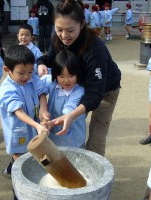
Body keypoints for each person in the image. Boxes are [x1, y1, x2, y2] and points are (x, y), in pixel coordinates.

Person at [37, 0, 121, 157]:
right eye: (59, 29)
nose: (64, 36)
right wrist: (41, 63)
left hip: (104, 91)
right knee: (72, 130)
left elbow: (95, 95)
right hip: (76, 86)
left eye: (70, 30)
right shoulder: (57, 36)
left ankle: (94, 175)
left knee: (96, 138)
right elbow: (51, 56)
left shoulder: (94, 48)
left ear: (82, 24)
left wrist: (72, 114)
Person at [0, 45, 49, 200]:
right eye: (21, 73)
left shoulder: (32, 78)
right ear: (8, 70)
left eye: (30, 71)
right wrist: (37, 125)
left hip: (33, 127)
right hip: (18, 133)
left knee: (22, 160)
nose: (27, 76)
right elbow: (18, 112)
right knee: (22, 170)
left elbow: (42, 92)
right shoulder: (7, 89)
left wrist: (43, 110)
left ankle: (9, 169)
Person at [41, 50, 86, 147]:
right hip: (54, 136)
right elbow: (38, 86)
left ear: (77, 74)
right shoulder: (53, 83)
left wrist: (50, 122)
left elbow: (68, 111)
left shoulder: (78, 91)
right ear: (56, 75)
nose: (66, 80)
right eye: (61, 76)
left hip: (73, 138)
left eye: (71, 76)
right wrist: (43, 108)